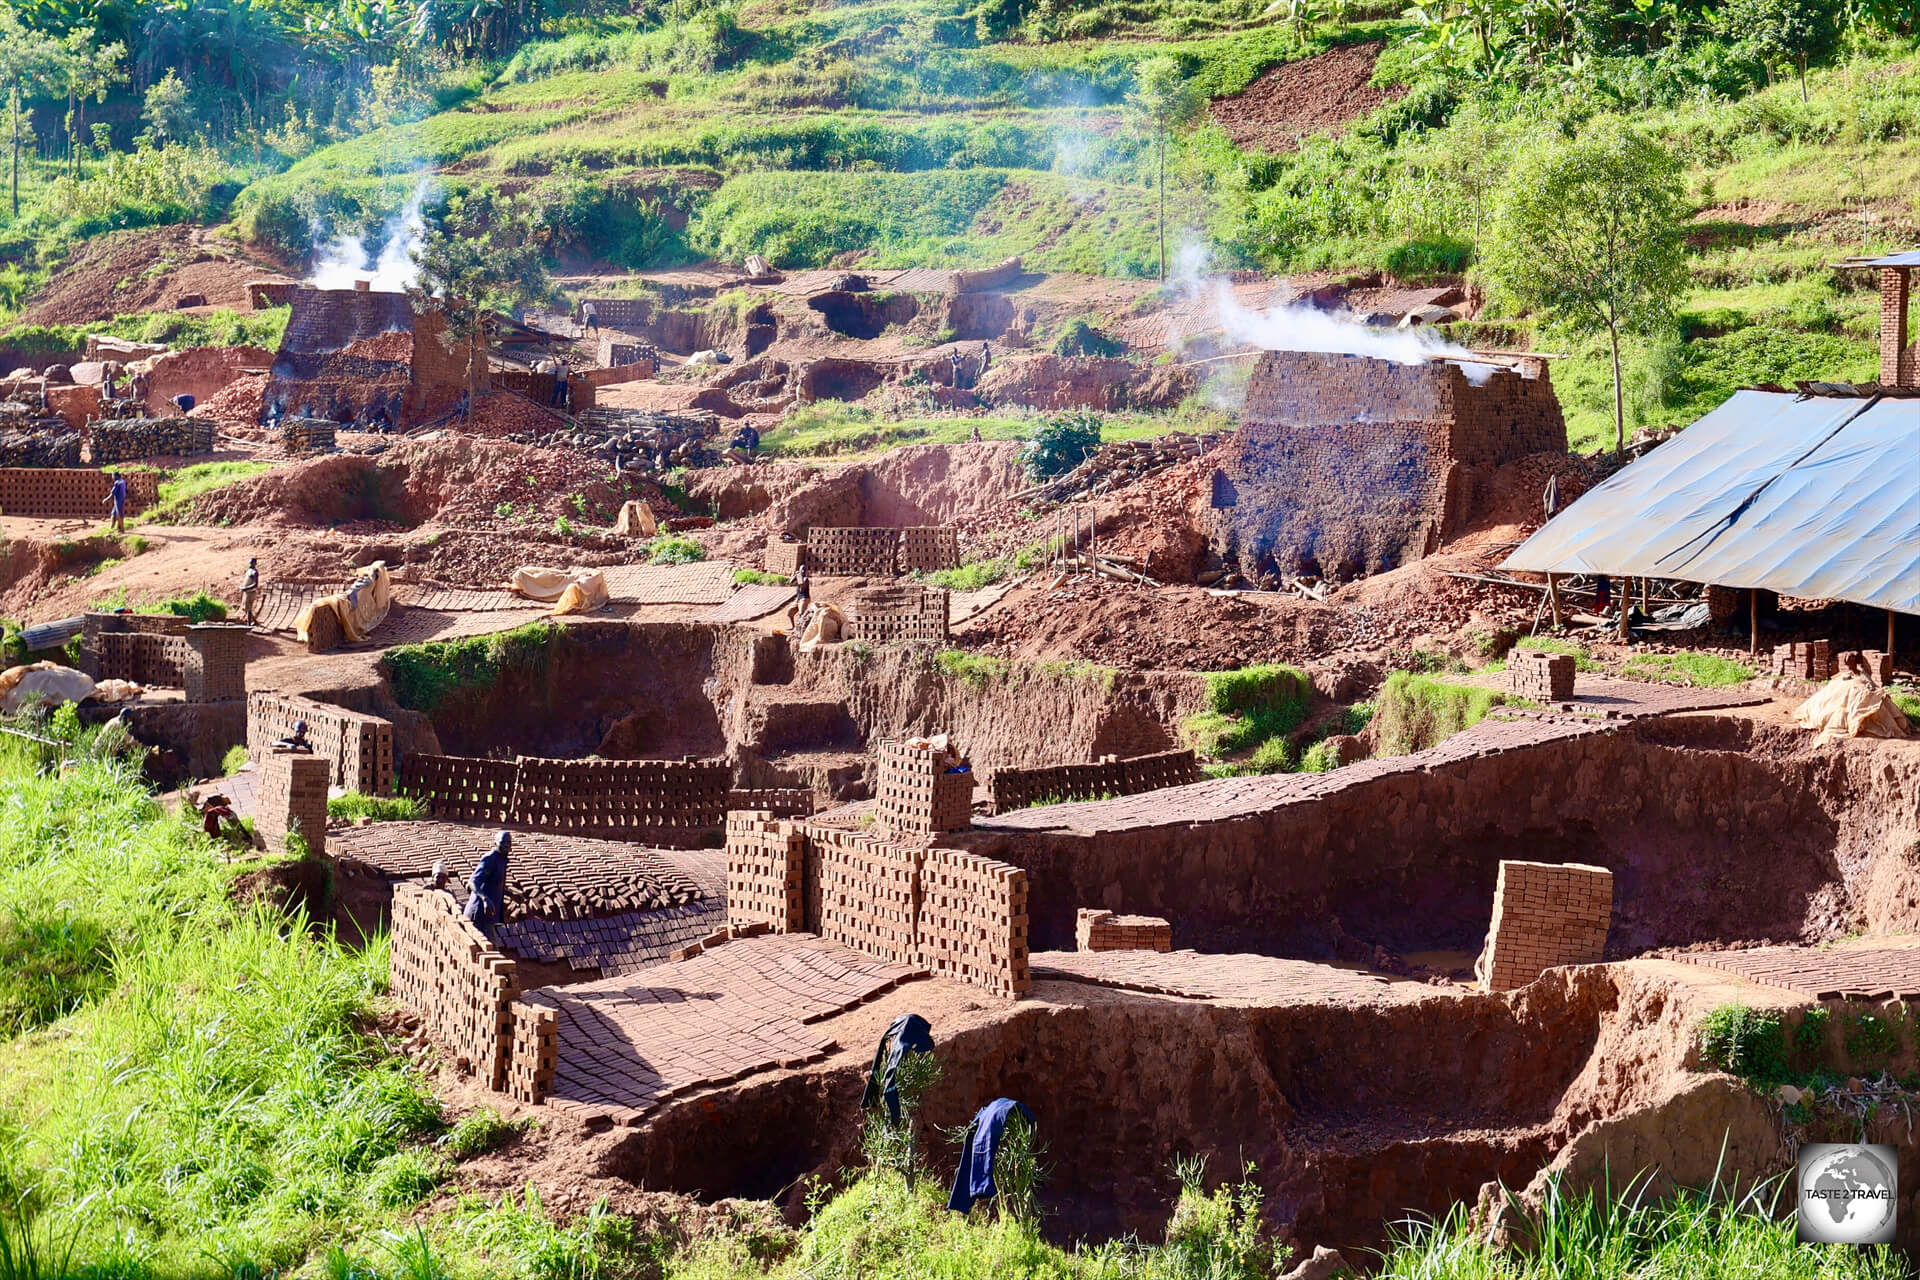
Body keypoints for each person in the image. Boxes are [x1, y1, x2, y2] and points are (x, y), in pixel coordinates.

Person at [466, 831, 511, 926]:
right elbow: (472, 882)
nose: (506, 845)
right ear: (495, 843)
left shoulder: (502, 859)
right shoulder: (490, 858)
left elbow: (493, 884)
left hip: (488, 918)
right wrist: (485, 899)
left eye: (508, 842)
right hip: (478, 915)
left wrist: (511, 895)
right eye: (503, 842)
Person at [786, 561, 812, 629]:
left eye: (804, 570)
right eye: (801, 570)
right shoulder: (798, 577)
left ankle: (801, 628)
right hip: (798, 598)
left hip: (804, 598)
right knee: (790, 612)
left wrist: (799, 577)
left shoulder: (805, 579)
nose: (802, 571)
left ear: (806, 571)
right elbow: (790, 582)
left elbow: (802, 588)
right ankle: (793, 626)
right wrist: (795, 575)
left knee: (801, 613)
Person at [240, 557, 260, 624]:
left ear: (255, 563)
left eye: (252, 563)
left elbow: (255, 584)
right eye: (250, 562)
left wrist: (246, 588)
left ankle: (249, 625)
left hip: (250, 592)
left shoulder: (254, 572)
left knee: (248, 609)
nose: (250, 564)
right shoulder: (249, 570)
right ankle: (254, 622)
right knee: (248, 608)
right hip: (247, 591)